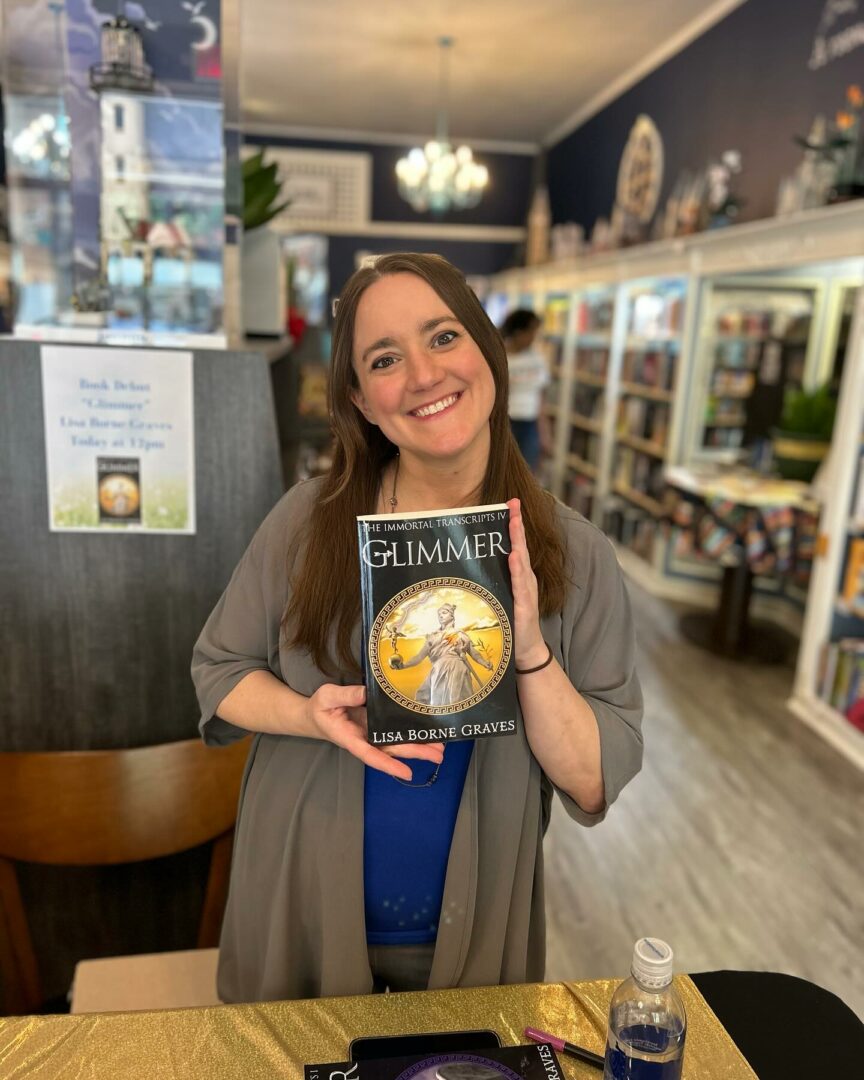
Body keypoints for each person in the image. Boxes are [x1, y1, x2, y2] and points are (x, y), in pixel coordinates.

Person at [191, 252, 643, 1004]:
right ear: (362, 400)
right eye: (385, 359)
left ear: (487, 352)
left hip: (476, 926)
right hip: (299, 906)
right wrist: (308, 714)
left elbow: (592, 779)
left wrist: (531, 653)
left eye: (442, 337)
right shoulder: (306, 522)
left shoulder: (575, 552)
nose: (425, 375)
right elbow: (219, 671)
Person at [390, 602, 494, 706]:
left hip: (458, 668)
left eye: (444, 613)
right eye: (439, 614)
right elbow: (419, 656)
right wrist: (404, 665)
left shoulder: (460, 634)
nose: (440, 615)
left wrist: (484, 662)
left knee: (458, 701)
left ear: (452, 616)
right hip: (438, 670)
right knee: (433, 700)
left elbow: (474, 653)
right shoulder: (432, 637)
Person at [500, 308, 551, 471]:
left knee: (528, 471)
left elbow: (541, 397)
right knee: (505, 469)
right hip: (506, 422)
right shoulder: (501, 357)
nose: (533, 337)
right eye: (531, 332)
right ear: (518, 332)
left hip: (531, 423)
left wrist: (545, 433)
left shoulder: (538, 359)